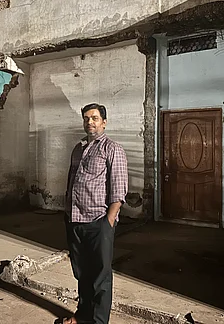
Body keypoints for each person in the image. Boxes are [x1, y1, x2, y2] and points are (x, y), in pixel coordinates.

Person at [62, 103, 128, 324]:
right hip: (75, 220)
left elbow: (119, 190)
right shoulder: (78, 148)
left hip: (98, 222)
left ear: (104, 122)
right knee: (82, 273)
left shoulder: (112, 149)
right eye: (86, 118)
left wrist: (108, 221)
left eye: (95, 118)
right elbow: (71, 182)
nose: (90, 122)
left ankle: (98, 322)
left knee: (100, 277)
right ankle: (82, 316)